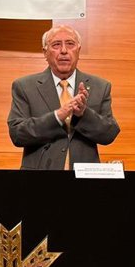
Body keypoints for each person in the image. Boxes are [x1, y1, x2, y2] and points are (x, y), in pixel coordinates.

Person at [7, 25, 120, 169]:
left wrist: (83, 114)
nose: (64, 50)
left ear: (78, 50)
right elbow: (17, 134)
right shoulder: (25, 86)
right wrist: (57, 116)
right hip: (39, 176)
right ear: (45, 52)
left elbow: (109, 134)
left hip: (84, 176)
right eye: (56, 45)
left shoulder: (100, 86)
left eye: (70, 44)